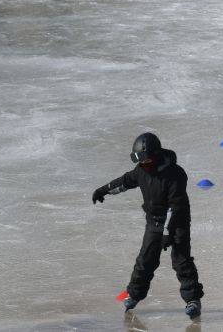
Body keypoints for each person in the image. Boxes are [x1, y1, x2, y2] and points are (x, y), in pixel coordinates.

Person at [92, 133, 204, 319]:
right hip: (154, 222)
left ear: (157, 155)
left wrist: (168, 233)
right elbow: (125, 182)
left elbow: (175, 207)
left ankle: (192, 300)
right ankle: (134, 295)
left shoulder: (175, 174)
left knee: (181, 260)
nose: (144, 164)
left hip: (177, 222)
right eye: (141, 161)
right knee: (145, 260)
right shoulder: (142, 170)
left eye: (147, 160)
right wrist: (103, 190)